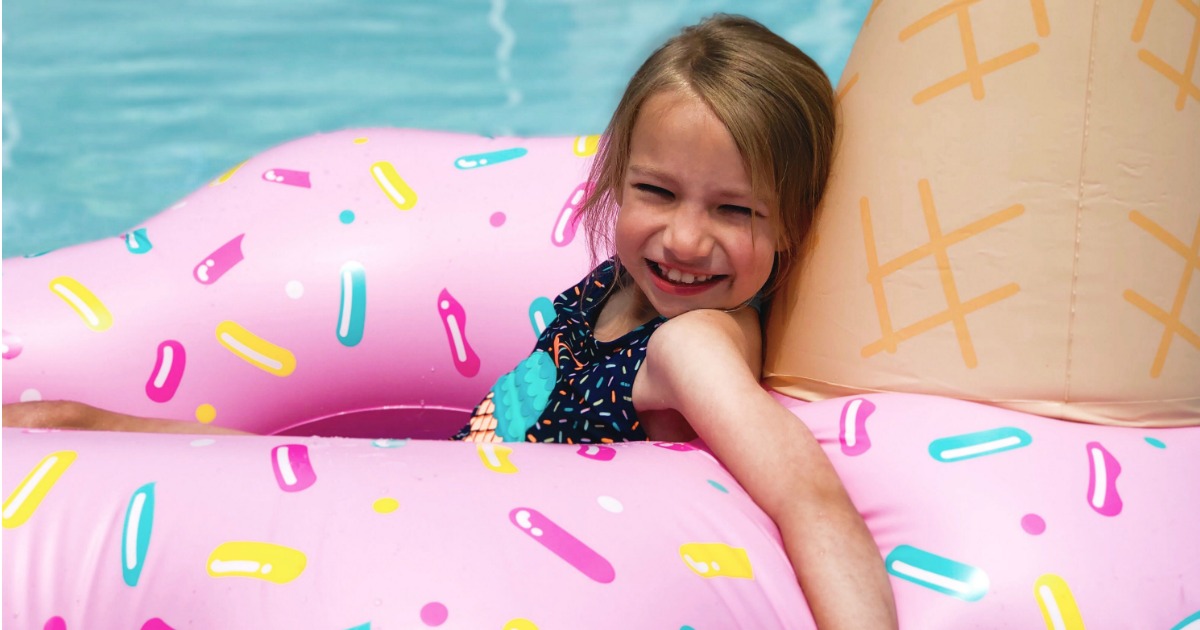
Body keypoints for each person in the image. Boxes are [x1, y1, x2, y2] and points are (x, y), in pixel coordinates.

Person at [5, 15, 897, 628]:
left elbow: (805, 492)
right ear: (615, 176)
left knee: (80, 439)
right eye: (656, 192)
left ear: (794, 221)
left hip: (433, 525)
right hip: (439, 474)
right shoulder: (631, 288)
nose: (685, 237)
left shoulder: (692, 340)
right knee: (67, 426)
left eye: (736, 211)